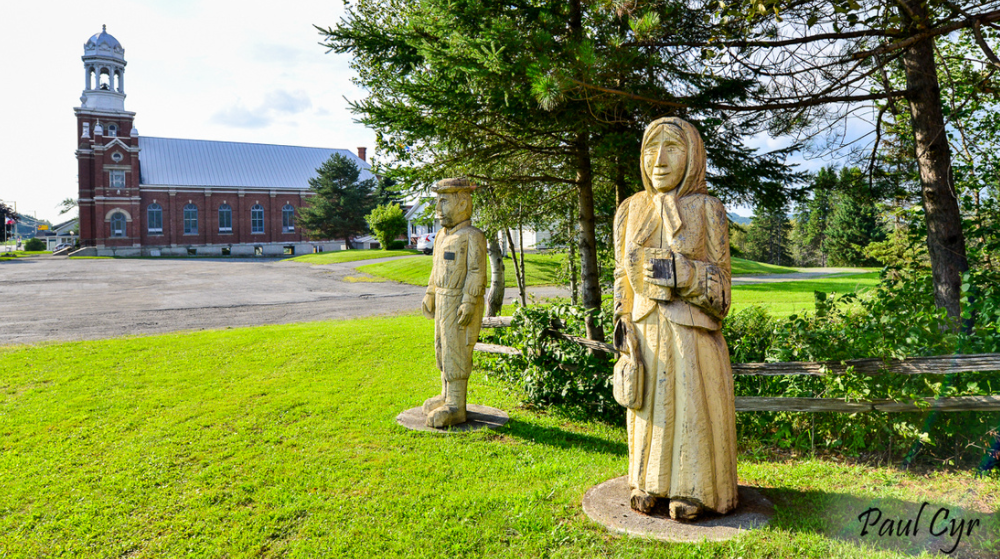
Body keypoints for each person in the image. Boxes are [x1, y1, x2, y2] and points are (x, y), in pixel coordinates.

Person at [612, 117, 738, 520]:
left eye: (673, 147)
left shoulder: (706, 209)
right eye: (651, 148)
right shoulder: (631, 209)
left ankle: (693, 489)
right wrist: (622, 324)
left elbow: (723, 293)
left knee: (691, 412)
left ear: (693, 156)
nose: (659, 160)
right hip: (646, 334)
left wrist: (686, 275)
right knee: (649, 411)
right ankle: (648, 482)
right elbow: (621, 277)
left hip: (692, 338)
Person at [421, 178, 487, 427]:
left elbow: (477, 270)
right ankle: (446, 395)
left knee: (456, 350)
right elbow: (435, 268)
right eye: (438, 200)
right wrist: (430, 292)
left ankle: (457, 405)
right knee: (441, 348)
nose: (438, 207)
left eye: (444, 200)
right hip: (442, 299)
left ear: (462, 203)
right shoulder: (440, 236)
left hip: (459, 301)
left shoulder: (473, 236)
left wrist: (470, 300)